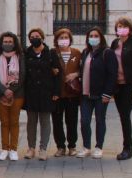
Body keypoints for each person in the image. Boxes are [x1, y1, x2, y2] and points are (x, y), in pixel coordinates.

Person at [78, 27, 118, 159]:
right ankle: (86, 147)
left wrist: (107, 93)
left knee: (100, 120)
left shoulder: (107, 53)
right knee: (84, 121)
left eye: (96, 35)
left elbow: (112, 74)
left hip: (100, 95)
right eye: (91, 35)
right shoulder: (85, 53)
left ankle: (99, 147)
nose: (93, 38)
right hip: (85, 94)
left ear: (101, 38)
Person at [110, 16, 132, 161]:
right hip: (117, 86)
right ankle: (128, 147)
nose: (121, 29)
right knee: (123, 115)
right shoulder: (114, 43)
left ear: (130, 29)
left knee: (125, 115)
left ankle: (128, 148)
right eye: (119, 26)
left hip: (129, 86)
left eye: (124, 26)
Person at [23, 28, 61, 161]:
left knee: (45, 121)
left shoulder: (51, 53)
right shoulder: (26, 53)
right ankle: (31, 148)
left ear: (42, 38)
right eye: (32, 36)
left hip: (46, 92)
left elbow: (57, 73)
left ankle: (43, 148)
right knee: (31, 122)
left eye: (37, 36)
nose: (35, 38)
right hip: (31, 93)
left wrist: (56, 92)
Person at [0, 32, 26, 161]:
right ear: (1, 43)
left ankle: (13, 149)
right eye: (5, 42)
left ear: (14, 43)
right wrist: (4, 90)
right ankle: (5, 148)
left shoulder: (20, 57)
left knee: (14, 122)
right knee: (4, 122)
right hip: (0, 95)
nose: (8, 44)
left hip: (17, 94)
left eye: (10, 42)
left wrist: (12, 90)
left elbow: (22, 76)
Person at [51, 28, 81, 157]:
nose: (64, 40)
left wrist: (76, 74)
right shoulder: (52, 53)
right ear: (56, 40)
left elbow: (83, 69)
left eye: (66, 37)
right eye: (61, 38)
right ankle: (60, 146)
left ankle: (72, 146)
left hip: (72, 94)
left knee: (72, 120)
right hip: (57, 93)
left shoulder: (77, 53)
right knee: (57, 121)